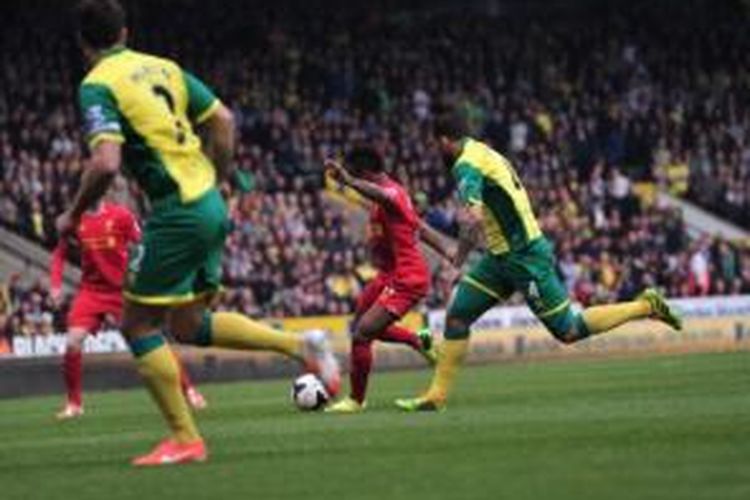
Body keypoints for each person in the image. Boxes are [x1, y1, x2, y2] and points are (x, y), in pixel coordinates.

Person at [58, 0, 339, 466]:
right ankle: (299, 345)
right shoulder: (163, 68)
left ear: (82, 43)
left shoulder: (97, 85)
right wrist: (221, 177)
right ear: (125, 32)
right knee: (189, 325)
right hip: (209, 201)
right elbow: (223, 121)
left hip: (176, 210)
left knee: (138, 323)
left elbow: (106, 161)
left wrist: (73, 212)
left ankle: (186, 438)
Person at [395, 111, 683, 412]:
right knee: (457, 315)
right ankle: (436, 396)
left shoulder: (466, 163)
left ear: (444, 141)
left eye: (435, 145)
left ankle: (646, 306)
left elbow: (473, 219)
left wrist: (459, 257)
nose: (434, 151)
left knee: (567, 330)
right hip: (499, 256)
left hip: (525, 256)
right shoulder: (480, 151)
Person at [50, 191, 207, 420]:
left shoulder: (121, 215)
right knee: (73, 342)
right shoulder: (75, 220)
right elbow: (60, 253)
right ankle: (74, 404)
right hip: (91, 292)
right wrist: (55, 285)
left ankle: (189, 389)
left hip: (123, 291)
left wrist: (140, 274)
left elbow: (142, 245)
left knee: (152, 341)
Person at [324, 147, 454, 413]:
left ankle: (356, 401)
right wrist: (447, 249)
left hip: (406, 277)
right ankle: (418, 340)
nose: (355, 186)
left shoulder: (391, 193)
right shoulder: (392, 196)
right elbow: (420, 227)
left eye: (357, 177)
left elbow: (381, 195)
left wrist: (348, 181)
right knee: (361, 328)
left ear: (365, 174)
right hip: (388, 275)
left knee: (363, 334)